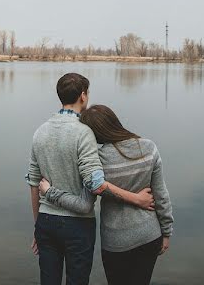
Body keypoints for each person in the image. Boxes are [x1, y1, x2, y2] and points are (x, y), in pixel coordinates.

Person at [26, 73, 155, 285]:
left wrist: (37, 225)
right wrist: (136, 199)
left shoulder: (40, 131)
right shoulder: (85, 133)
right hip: (77, 225)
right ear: (83, 96)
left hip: (46, 222)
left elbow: (33, 182)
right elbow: (95, 184)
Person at [39, 104, 173, 285]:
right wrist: (166, 232)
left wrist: (50, 192)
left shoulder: (97, 160)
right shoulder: (149, 148)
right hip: (150, 235)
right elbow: (161, 196)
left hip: (116, 241)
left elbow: (84, 203)